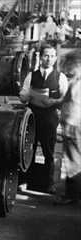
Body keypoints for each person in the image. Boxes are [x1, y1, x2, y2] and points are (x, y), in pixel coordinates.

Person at [20, 45, 69, 194]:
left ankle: (49, 184)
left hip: (49, 119)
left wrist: (54, 102)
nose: (49, 59)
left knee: (49, 152)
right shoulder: (31, 76)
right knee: (29, 150)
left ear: (55, 58)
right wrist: (25, 97)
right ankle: (24, 182)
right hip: (32, 118)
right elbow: (23, 95)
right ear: (40, 57)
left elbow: (66, 98)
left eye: (52, 56)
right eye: (46, 56)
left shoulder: (60, 77)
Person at [54, 51, 81, 205]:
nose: (67, 68)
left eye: (70, 64)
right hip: (73, 124)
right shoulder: (76, 80)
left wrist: (70, 124)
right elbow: (66, 100)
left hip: (74, 125)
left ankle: (72, 196)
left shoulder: (78, 83)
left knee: (73, 160)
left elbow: (76, 107)